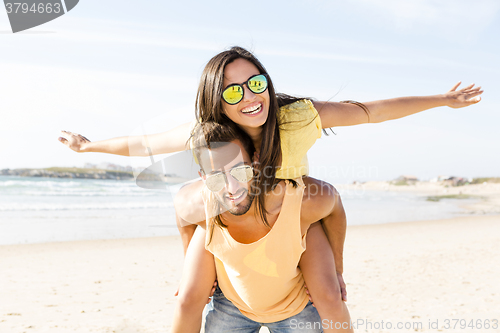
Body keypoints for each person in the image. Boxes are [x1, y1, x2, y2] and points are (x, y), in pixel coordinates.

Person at [58, 46, 483, 328]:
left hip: (291, 215)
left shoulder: (295, 116)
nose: (250, 96)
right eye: (234, 90)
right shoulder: (207, 134)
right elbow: (144, 145)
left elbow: (369, 111)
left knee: (331, 297)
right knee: (190, 294)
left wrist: (440, 100)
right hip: (233, 215)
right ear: (216, 99)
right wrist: (88, 145)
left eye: (256, 83)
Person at [173, 121, 352, 332]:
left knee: (332, 298)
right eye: (216, 177)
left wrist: (337, 268)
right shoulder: (195, 204)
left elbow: (335, 206)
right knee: (185, 300)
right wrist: (188, 269)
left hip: (295, 306)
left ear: (255, 163)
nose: (231, 188)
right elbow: (182, 215)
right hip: (232, 305)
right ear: (203, 177)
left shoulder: (300, 199)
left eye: (240, 171)